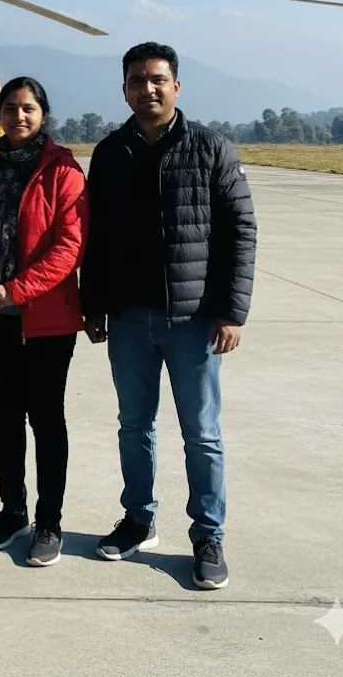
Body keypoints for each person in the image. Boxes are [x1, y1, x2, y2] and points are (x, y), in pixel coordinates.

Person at [81, 42, 256, 590]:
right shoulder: (109, 152)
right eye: (136, 81)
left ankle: (208, 534)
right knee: (134, 427)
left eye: (157, 79)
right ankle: (139, 518)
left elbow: (240, 231)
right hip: (130, 318)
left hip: (194, 320)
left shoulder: (210, 147)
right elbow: (95, 236)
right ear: (125, 90)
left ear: (176, 86)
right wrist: (93, 304)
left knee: (201, 432)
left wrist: (231, 312)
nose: (147, 88)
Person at [0, 77, 88, 566]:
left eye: (28, 108)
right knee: (6, 415)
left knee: (46, 418)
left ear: (43, 114)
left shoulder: (63, 171)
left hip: (46, 319)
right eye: (10, 108)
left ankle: (49, 521)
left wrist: (17, 288)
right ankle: (12, 510)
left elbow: (69, 248)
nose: (18, 116)